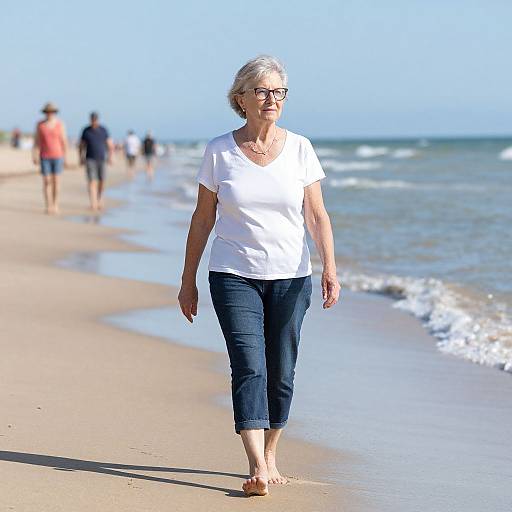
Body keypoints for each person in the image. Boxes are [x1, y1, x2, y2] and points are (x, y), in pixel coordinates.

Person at [178, 55, 341, 497]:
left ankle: (271, 452)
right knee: (249, 365)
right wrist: (187, 278)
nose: (272, 99)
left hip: (291, 275)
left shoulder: (301, 149)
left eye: (279, 92)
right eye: (263, 91)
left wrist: (329, 266)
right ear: (241, 99)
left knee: (282, 370)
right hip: (233, 273)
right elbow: (202, 218)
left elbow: (317, 214)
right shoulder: (219, 151)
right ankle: (255, 465)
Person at [32, 102, 68, 214]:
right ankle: (48, 205)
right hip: (44, 156)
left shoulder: (60, 124)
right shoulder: (40, 125)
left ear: (54, 112)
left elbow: (64, 141)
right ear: (45, 113)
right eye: (48, 112)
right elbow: (37, 141)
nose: (49, 114)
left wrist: (65, 158)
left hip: (58, 156)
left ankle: (55, 204)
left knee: (56, 181)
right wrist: (35, 155)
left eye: (51, 112)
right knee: (46, 181)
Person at [79, 112, 114, 211]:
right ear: (90, 120)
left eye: (95, 119)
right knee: (92, 181)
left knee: (102, 182)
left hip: (102, 159)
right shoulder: (86, 130)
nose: (94, 121)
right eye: (92, 119)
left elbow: (110, 144)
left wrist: (110, 157)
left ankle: (99, 200)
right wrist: (80, 157)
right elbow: (81, 145)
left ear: (98, 120)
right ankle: (93, 203)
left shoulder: (103, 130)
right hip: (90, 158)